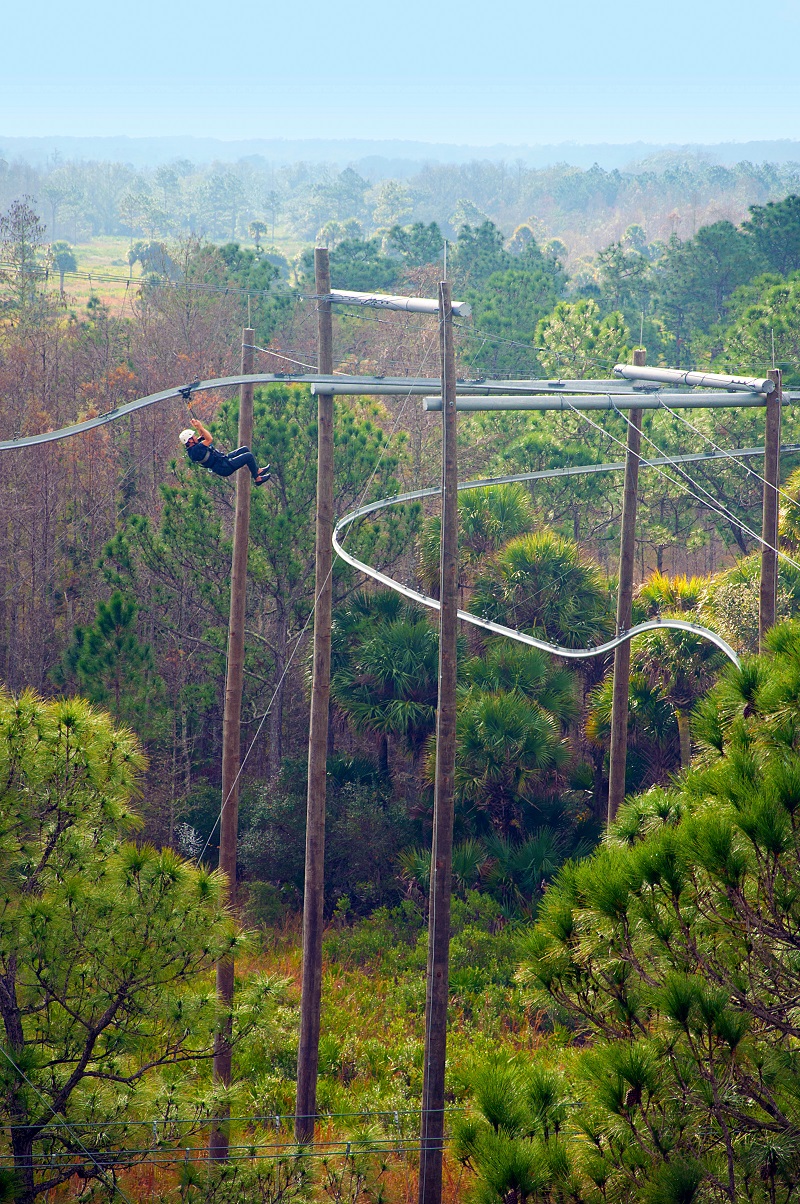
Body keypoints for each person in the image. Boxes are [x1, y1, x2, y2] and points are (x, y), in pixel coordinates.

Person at [179, 418, 270, 485]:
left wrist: (198, 427)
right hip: (223, 467)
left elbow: (203, 436)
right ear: (190, 441)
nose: (195, 437)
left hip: (223, 460)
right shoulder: (195, 451)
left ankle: (257, 470)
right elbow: (209, 439)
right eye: (193, 437)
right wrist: (201, 427)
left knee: (245, 449)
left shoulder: (194, 448)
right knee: (249, 456)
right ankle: (257, 478)